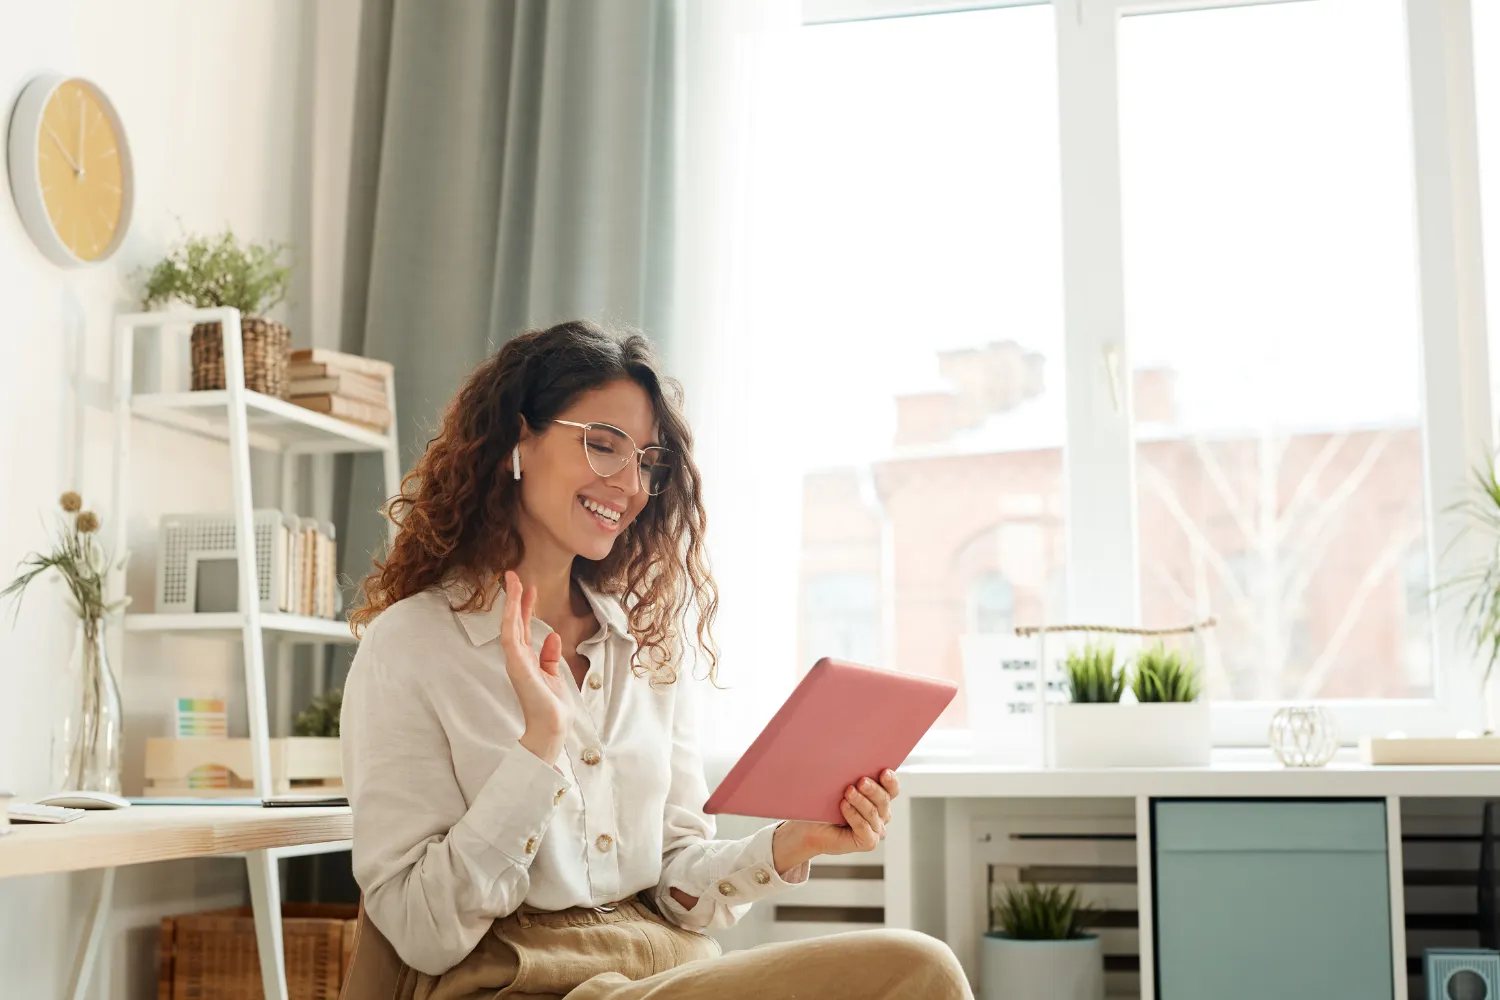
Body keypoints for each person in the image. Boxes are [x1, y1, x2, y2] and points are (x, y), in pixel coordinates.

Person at [339, 320, 971, 999]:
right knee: (918, 970)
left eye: (646, 461)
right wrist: (538, 747)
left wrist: (796, 842)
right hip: (518, 983)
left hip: (660, 969)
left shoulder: (644, 648)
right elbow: (419, 929)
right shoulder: (410, 646)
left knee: (918, 972)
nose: (631, 485)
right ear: (516, 441)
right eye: (603, 446)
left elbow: (674, 880)